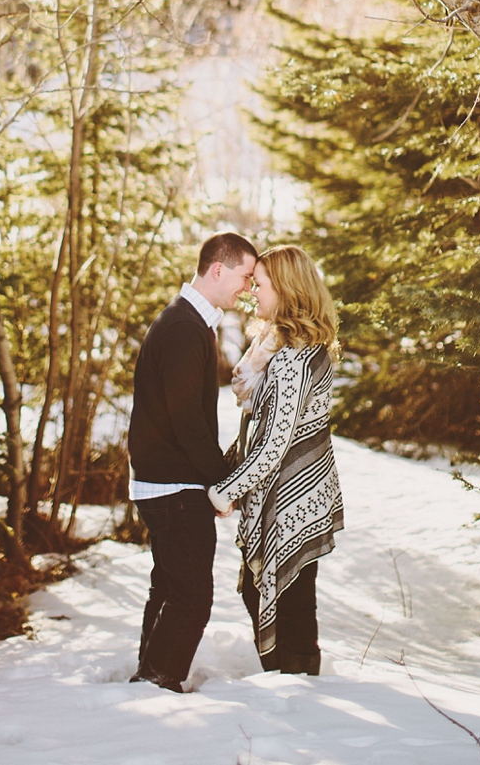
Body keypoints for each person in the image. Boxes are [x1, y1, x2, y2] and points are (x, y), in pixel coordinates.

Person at [127, 230, 258, 692]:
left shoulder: (191, 322)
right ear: (218, 269)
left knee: (168, 588)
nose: (247, 289)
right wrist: (226, 482)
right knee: (191, 596)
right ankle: (158, 683)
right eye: (244, 277)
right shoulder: (184, 327)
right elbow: (187, 420)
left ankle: (148, 675)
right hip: (173, 485)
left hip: (164, 482)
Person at [208, 245, 344, 676]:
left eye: (261, 284)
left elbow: (273, 445)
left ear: (285, 289)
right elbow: (265, 430)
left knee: (282, 601)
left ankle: (295, 688)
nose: (254, 293)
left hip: (290, 501)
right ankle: (296, 687)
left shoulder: (291, 362)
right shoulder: (300, 349)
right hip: (301, 495)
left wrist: (222, 492)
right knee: (290, 599)